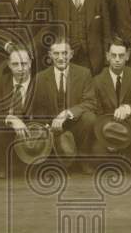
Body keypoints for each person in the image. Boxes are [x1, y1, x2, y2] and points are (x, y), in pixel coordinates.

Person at [32, 39, 99, 172]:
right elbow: (37, 108)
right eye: (56, 53)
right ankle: (58, 157)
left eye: (64, 53)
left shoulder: (84, 73)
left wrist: (67, 113)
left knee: (90, 118)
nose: (61, 57)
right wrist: (47, 125)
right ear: (50, 55)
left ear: (71, 54)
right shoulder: (40, 77)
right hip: (52, 127)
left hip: (75, 124)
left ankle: (83, 159)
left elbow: (90, 102)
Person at [90, 40, 131, 169]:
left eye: (121, 56)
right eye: (114, 55)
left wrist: (128, 108)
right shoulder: (97, 81)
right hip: (107, 129)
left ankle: (130, 157)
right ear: (107, 56)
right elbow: (97, 112)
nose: (117, 59)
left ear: (127, 56)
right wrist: (109, 137)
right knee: (98, 157)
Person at [50, 0, 109, 74]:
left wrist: (106, 58)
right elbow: (55, 32)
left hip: (94, 59)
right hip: (67, 58)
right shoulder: (58, 1)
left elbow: (106, 32)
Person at [0, 47, 38, 178]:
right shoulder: (0, 82)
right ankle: (3, 164)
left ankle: (31, 163)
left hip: (32, 129)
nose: (20, 68)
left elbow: (46, 112)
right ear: (9, 65)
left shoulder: (40, 83)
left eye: (24, 64)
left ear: (30, 64)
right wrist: (11, 119)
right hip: (7, 131)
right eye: (15, 64)